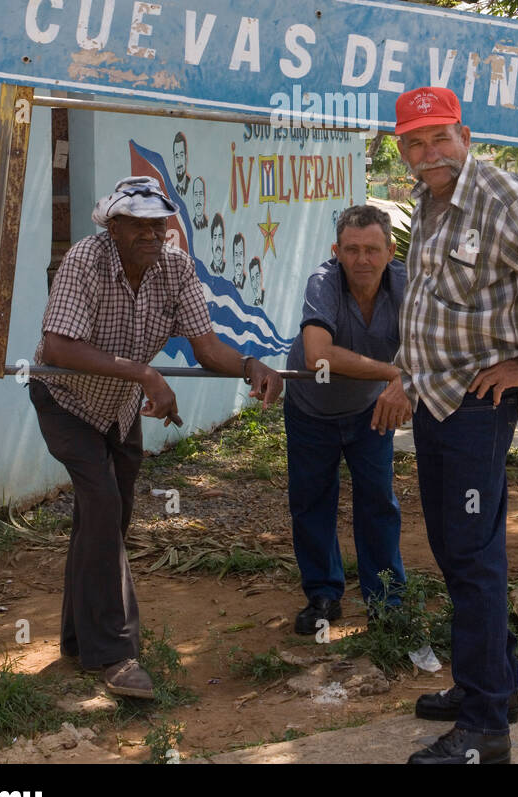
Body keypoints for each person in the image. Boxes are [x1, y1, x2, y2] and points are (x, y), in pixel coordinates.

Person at [393, 87, 518, 765]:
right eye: (415, 143)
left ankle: (484, 729)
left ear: (465, 135)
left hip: (476, 407)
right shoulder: (428, 200)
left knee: (472, 559)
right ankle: (494, 689)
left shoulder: (501, 197)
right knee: (458, 551)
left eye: (440, 138)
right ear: (402, 150)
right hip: (436, 402)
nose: (429, 153)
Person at [30, 176, 283, 698]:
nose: (152, 234)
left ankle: (78, 641)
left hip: (119, 409)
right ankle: (116, 655)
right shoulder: (86, 259)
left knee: (108, 518)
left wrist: (249, 365)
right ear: (114, 226)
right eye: (139, 225)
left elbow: (206, 346)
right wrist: (145, 375)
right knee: (100, 507)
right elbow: (57, 347)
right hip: (67, 400)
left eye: (159, 224)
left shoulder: (176, 266)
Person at [258, 205, 411, 635]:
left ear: (390, 250)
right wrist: (393, 374)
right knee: (311, 502)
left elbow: (428, 346)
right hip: (311, 409)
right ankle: (323, 595)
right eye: (352, 249)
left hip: (367, 410)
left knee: (378, 501)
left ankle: (385, 597)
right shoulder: (323, 282)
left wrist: (404, 381)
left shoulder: (406, 284)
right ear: (336, 251)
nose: (362, 259)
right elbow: (317, 355)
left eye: (372, 249)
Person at [172, 131, 190, 199]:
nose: (179, 162)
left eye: (181, 155)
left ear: (186, 158)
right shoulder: (173, 190)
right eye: (176, 156)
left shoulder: (191, 186)